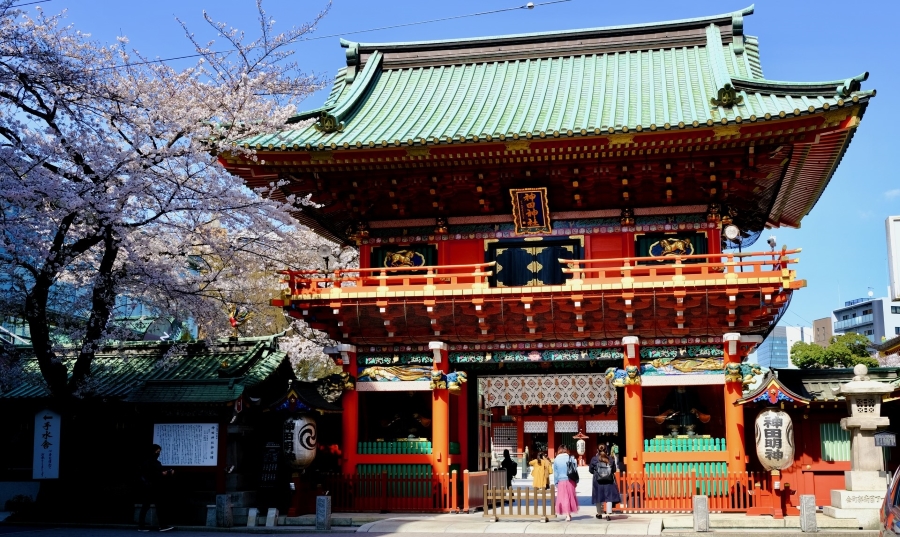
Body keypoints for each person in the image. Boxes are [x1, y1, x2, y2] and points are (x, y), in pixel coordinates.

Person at [138, 444, 175, 532]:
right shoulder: (150, 463)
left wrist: (166, 473)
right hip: (152, 487)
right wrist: (163, 474)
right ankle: (161, 525)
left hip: (152, 487)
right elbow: (152, 474)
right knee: (156, 506)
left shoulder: (151, 462)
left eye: (158, 452)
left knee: (150, 506)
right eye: (157, 451)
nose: (158, 453)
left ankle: (142, 525)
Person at [589, 444, 622, 520]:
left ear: (597, 450)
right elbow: (613, 470)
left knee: (598, 496)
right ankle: (608, 513)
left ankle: (599, 513)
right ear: (606, 450)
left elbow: (590, 470)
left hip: (598, 480)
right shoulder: (610, 459)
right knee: (609, 496)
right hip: (608, 480)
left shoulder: (594, 459)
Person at [552, 445, 579, 521]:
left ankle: (567, 514)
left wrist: (556, 482)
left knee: (564, 497)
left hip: (561, 480)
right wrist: (576, 481)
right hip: (571, 479)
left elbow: (556, 473)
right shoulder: (571, 458)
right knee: (570, 497)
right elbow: (575, 470)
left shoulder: (556, 459)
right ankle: (568, 513)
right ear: (566, 450)